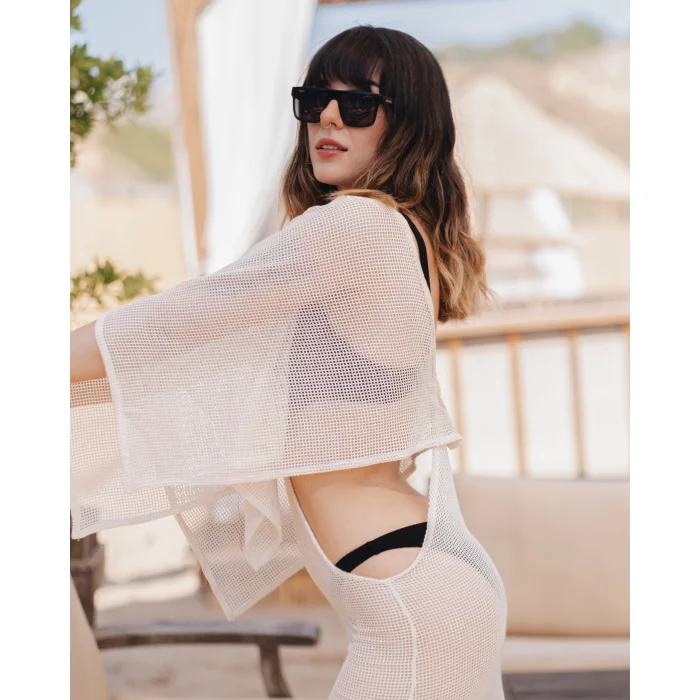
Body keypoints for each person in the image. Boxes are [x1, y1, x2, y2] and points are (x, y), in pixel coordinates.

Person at [71, 25, 507, 699]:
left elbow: (170, 325)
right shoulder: (394, 230)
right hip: (421, 586)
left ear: (407, 123)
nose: (327, 118)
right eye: (313, 100)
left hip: (409, 608)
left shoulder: (354, 226)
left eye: (357, 104)